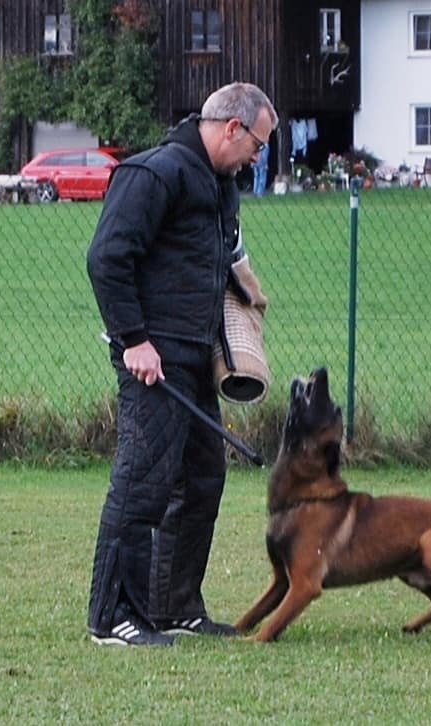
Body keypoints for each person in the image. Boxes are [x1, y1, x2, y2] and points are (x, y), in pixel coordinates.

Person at [86, 82, 278, 646]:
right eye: (258, 145)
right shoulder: (156, 173)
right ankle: (112, 616)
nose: (257, 158)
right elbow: (107, 258)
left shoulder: (220, 186)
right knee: (142, 482)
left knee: (202, 479)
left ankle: (173, 606)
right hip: (153, 353)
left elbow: (218, 260)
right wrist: (133, 340)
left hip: (196, 353)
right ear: (232, 128)